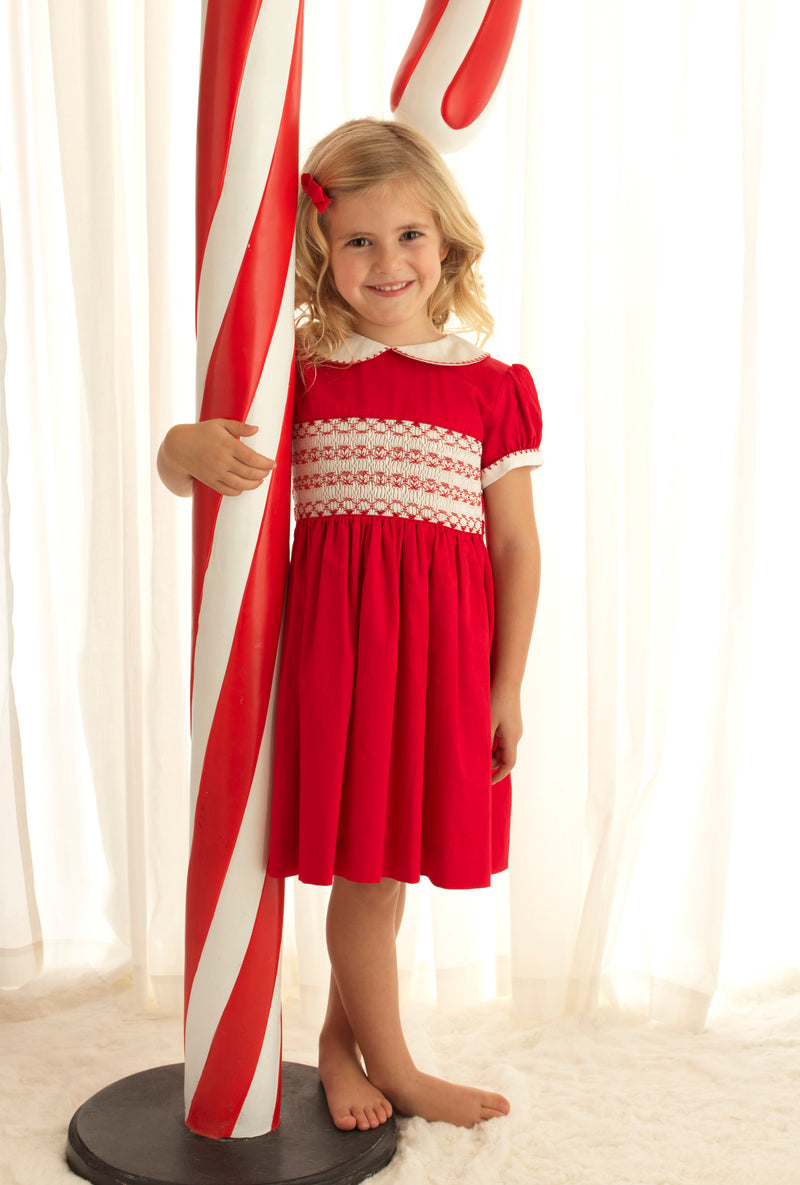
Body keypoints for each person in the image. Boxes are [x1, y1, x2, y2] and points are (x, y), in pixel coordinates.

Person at [158, 118, 542, 1132]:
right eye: (358, 240)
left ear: (446, 243)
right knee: (365, 871)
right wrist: (180, 444)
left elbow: (514, 549)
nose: (386, 262)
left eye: (408, 237)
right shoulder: (300, 372)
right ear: (320, 251)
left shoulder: (488, 388)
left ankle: (341, 1041)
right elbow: (191, 460)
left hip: (443, 659)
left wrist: (503, 686)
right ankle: (396, 1066)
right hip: (337, 654)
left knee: (387, 859)